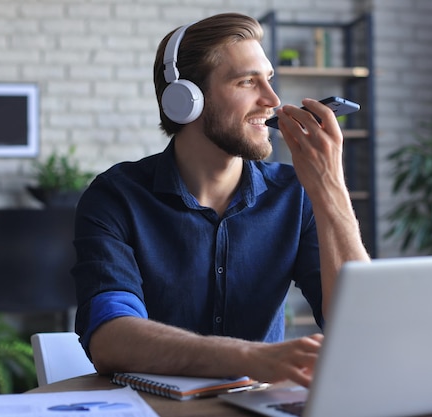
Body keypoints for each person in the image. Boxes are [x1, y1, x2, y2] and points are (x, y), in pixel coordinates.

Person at [72, 12, 370, 388]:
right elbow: (110, 337)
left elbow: (360, 326)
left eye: (270, 80)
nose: (273, 100)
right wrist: (253, 358)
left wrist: (331, 189)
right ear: (186, 99)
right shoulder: (115, 197)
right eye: (247, 82)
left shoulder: (296, 195)